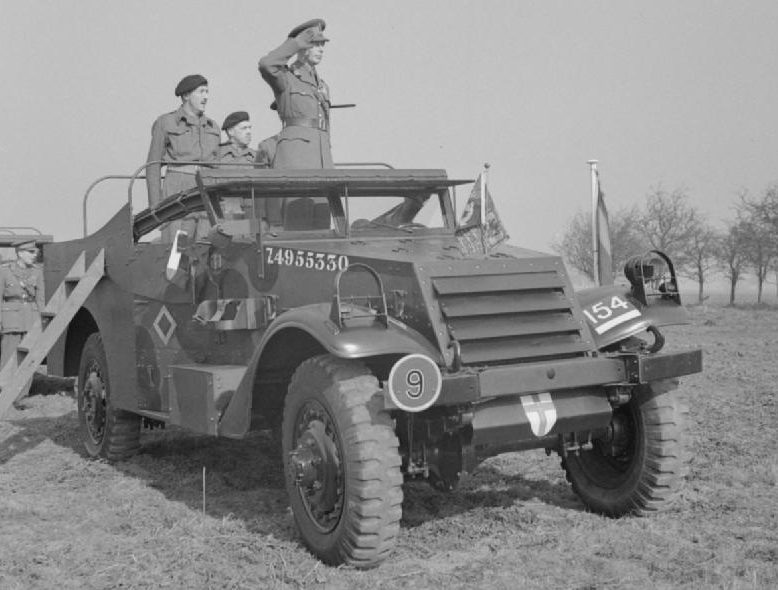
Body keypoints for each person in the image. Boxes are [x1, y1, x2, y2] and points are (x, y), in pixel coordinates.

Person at [258, 19, 332, 169]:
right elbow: (266, 65)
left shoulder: (322, 86)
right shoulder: (287, 78)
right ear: (304, 46)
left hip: (322, 158)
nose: (321, 49)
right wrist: (295, 43)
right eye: (315, 44)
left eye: (322, 45)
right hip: (296, 158)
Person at [145, 74, 221, 208]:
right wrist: (155, 206)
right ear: (186, 96)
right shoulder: (166, 122)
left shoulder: (212, 126)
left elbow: (220, 165)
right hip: (178, 189)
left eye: (207, 92)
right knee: (177, 228)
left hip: (208, 189)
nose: (206, 97)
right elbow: (153, 165)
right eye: (201, 92)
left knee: (210, 229)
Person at [0, 240, 44, 369]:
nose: (34, 255)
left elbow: (40, 300)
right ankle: (6, 388)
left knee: (29, 361)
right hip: (11, 321)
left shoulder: (37, 272)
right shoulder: (5, 272)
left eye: (35, 252)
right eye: (31, 252)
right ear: (20, 253)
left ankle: (23, 389)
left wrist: (41, 323)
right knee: (8, 360)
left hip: (32, 319)